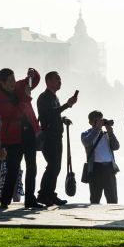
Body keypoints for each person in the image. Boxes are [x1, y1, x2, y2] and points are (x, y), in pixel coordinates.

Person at [0, 68, 43, 209]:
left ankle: (30, 199)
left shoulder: (19, 85)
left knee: (32, 168)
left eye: (14, 79)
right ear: (2, 82)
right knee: (13, 169)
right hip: (13, 137)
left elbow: (34, 81)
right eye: (9, 81)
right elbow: (13, 115)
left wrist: (32, 74)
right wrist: (26, 98)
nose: (13, 83)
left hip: (29, 134)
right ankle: (5, 200)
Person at [36, 71, 79, 207]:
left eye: (60, 79)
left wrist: (62, 118)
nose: (60, 81)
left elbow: (55, 114)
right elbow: (47, 115)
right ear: (48, 81)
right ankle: (43, 194)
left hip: (56, 136)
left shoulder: (54, 97)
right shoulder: (43, 97)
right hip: (49, 137)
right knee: (52, 166)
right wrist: (67, 105)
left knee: (56, 167)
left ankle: (49, 194)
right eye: (57, 79)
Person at [81, 110, 120, 204]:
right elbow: (87, 142)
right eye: (96, 121)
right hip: (95, 169)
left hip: (109, 168)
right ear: (90, 122)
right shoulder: (85, 134)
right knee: (95, 200)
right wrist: (97, 129)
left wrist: (110, 132)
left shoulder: (106, 134)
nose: (99, 123)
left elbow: (116, 147)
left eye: (100, 120)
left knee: (113, 199)